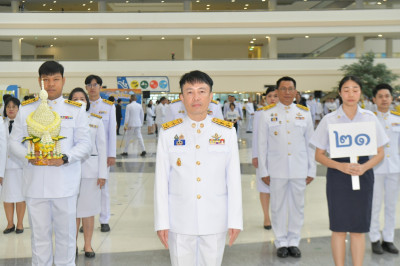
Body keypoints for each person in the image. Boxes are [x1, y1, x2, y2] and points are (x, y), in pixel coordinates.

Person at [154, 70, 243, 266]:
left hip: (215, 218)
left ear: (211, 96)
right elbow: (161, 181)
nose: (196, 97)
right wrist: (162, 222)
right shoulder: (169, 132)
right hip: (179, 219)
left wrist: (235, 220)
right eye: (190, 92)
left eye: (202, 91)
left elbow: (233, 180)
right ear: (181, 98)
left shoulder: (226, 131)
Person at [10, 60, 91, 265]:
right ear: (39, 81)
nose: (51, 84)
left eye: (56, 79)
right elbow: (13, 144)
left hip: (65, 184)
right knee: (39, 238)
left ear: (63, 81)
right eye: (46, 80)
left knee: (66, 237)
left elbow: (85, 144)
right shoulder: (27, 109)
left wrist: (65, 158)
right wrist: (29, 157)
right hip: (35, 184)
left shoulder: (76, 110)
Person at [310, 76, 388, 266]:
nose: (350, 94)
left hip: (364, 175)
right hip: (338, 176)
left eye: (355, 89)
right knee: (338, 227)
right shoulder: (330, 120)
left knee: (358, 228)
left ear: (360, 93)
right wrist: (340, 166)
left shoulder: (370, 118)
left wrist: (364, 167)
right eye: (346, 90)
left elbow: (380, 153)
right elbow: (319, 155)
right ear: (339, 93)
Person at [258, 76, 316, 259]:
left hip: (299, 169)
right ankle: (281, 241)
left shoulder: (304, 113)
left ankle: (294, 241)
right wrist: (263, 170)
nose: (287, 92)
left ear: (296, 92)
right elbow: (261, 145)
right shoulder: (267, 114)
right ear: (277, 91)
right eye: (283, 89)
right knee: (277, 206)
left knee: (297, 206)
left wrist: (311, 169)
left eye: (290, 89)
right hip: (276, 170)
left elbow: (310, 144)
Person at [69, 87, 107, 258]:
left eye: (82, 98)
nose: (79, 101)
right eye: (75, 98)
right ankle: (72, 245)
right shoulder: (64, 121)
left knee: (88, 212)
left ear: (87, 102)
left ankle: (88, 245)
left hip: (91, 174)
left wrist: (102, 174)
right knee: (72, 212)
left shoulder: (96, 121)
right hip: (68, 173)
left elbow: (102, 148)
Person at [369, 83, 400, 255]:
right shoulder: (369, 119)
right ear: (374, 99)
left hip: (395, 168)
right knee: (375, 205)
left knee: (391, 205)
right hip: (375, 169)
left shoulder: (398, 118)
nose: (384, 99)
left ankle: (388, 239)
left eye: (387, 96)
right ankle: (374, 239)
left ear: (391, 98)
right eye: (380, 96)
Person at [85, 74, 116, 233]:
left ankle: (104, 219)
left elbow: (111, 132)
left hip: (102, 155)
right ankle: (85, 218)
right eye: (89, 85)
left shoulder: (108, 107)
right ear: (85, 88)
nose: (92, 87)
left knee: (103, 187)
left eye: (95, 84)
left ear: (100, 87)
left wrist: (112, 154)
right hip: (84, 157)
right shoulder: (80, 106)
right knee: (84, 189)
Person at [252, 87, 279, 231]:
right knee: (264, 188)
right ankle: (266, 217)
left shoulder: (284, 112)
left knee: (280, 188)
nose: (273, 98)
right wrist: (255, 156)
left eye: (276, 96)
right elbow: (256, 136)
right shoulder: (259, 114)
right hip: (264, 157)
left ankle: (278, 217)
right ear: (265, 99)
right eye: (270, 96)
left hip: (280, 157)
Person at [2, 97, 26, 234]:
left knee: (20, 197)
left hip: (20, 167)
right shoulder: (1, 124)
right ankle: (10, 224)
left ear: (19, 109)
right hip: (5, 168)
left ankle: (20, 224)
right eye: (8, 107)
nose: (11, 109)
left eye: (14, 106)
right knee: (7, 197)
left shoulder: (24, 126)